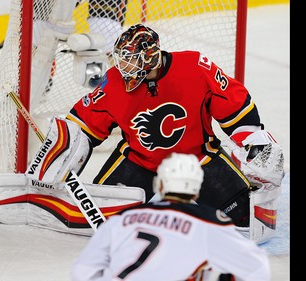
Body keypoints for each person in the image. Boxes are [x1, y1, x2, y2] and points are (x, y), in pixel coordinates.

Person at [64, 24, 285, 238]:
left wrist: (254, 141)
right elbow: (81, 125)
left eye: (131, 61)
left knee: (243, 219)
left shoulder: (195, 67)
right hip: (139, 161)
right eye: (123, 59)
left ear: (151, 57)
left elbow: (234, 104)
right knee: (100, 220)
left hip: (199, 159)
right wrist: (62, 153)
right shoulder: (112, 82)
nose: (124, 68)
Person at [71, 153, 271, 281]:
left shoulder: (121, 218)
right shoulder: (211, 223)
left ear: (159, 185)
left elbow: (83, 271)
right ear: (196, 190)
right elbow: (258, 269)